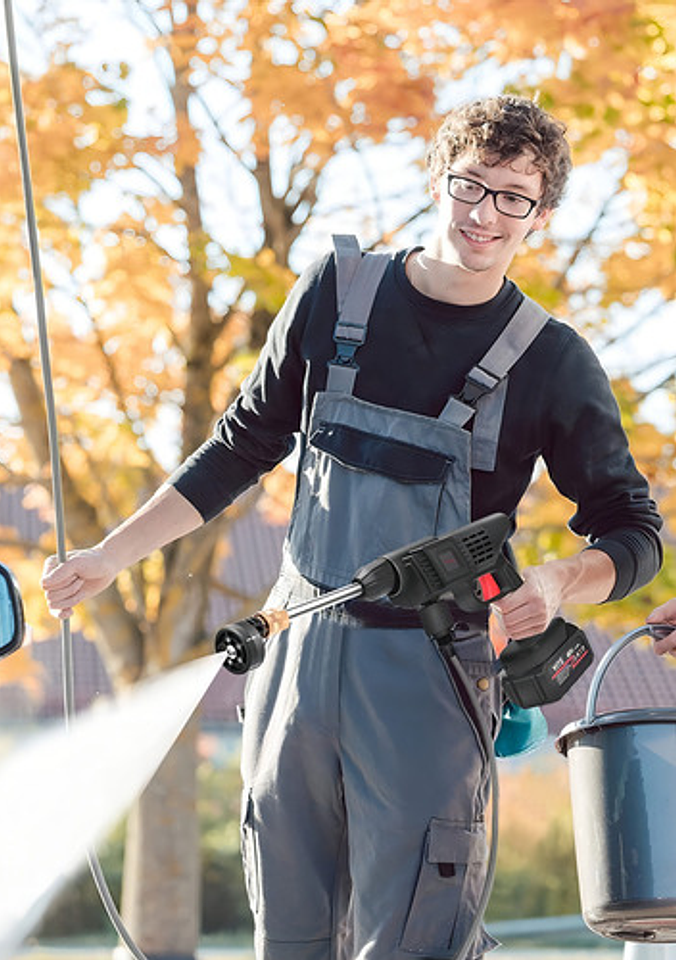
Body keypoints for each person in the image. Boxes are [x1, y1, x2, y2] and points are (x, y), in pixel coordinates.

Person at [42, 95, 664, 960]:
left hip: (431, 675)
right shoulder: (336, 293)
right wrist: (112, 556)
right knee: (288, 931)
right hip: (296, 654)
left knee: (413, 935)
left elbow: (633, 530)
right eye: (470, 186)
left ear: (542, 215)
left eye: (513, 197)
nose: (485, 214)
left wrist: (559, 582)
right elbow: (241, 444)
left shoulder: (552, 360)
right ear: (438, 181)